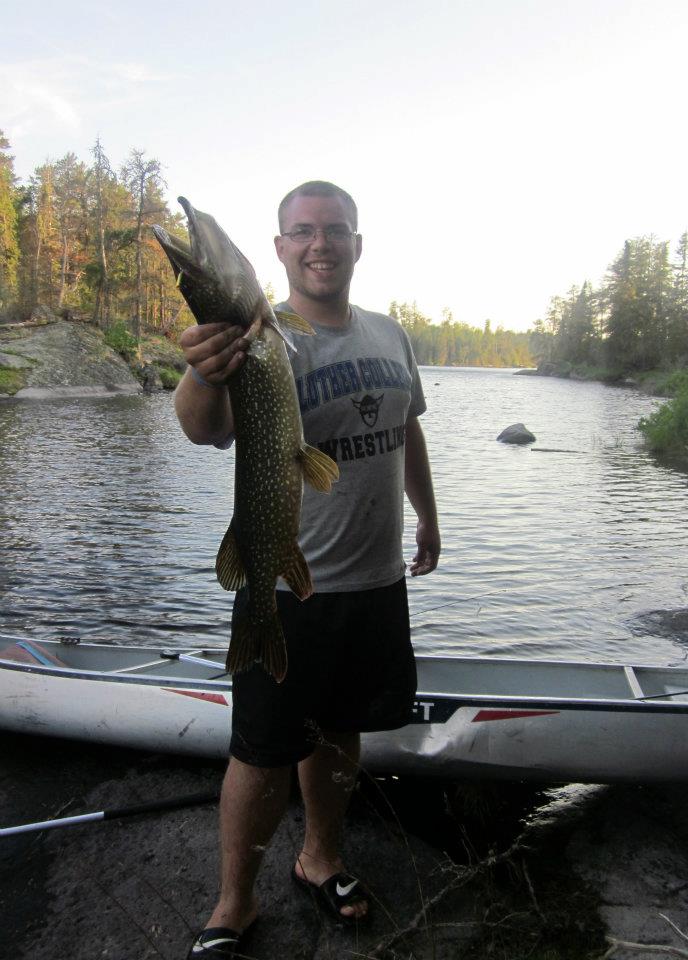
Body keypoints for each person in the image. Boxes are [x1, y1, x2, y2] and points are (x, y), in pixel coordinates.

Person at [175, 181, 440, 958]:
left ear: (358, 244)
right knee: (260, 752)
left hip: (375, 582)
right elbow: (201, 427)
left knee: (340, 733)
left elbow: (408, 430)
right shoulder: (262, 337)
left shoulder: (390, 335)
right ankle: (233, 904)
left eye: (335, 230)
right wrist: (202, 369)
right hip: (286, 585)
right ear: (280, 249)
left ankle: (320, 858)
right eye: (302, 232)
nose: (319, 243)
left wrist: (429, 514)